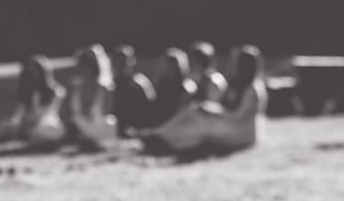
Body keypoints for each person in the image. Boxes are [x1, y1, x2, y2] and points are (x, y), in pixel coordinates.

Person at [139, 45, 268, 155]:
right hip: (236, 127)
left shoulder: (251, 89)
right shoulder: (240, 85)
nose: (232, 65)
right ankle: (161, 136)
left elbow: (237, 115)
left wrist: (213, 111)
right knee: (194, 115)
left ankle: (162, 138)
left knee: (196, 119)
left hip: (241, 133)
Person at [0, 55, 66, 145]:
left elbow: (49, 112)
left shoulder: (56, 91)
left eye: (35, 71)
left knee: (48, 129)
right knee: (4, 125)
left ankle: (30, 135)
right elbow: (19, 113)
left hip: (45, 122)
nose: (33, 74)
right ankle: (26, 134)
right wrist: (22, 121)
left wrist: (33, 121)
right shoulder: (28, 91)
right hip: (27, 122)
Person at [65, 44, 117, 149]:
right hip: (78, 126)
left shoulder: (106, 88)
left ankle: (89, 141)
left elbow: (107, 112)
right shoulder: (74, 87)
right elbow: (67, 113)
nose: (84, 70)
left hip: (98, 127)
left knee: (110, 123)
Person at [111, 45, 156, 137]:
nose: (121, 65)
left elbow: (150, 107)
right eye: (118, 61)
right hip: (118, 128)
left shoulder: (140, 82)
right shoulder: (112, 84)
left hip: (138, 127)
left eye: (124, 61)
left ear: (132, 61)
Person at [150, 48, 197, 127]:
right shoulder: (162, 84)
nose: (170, 69)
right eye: (168, 65)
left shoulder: (187, 87)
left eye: (174, 66)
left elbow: (184, 114)